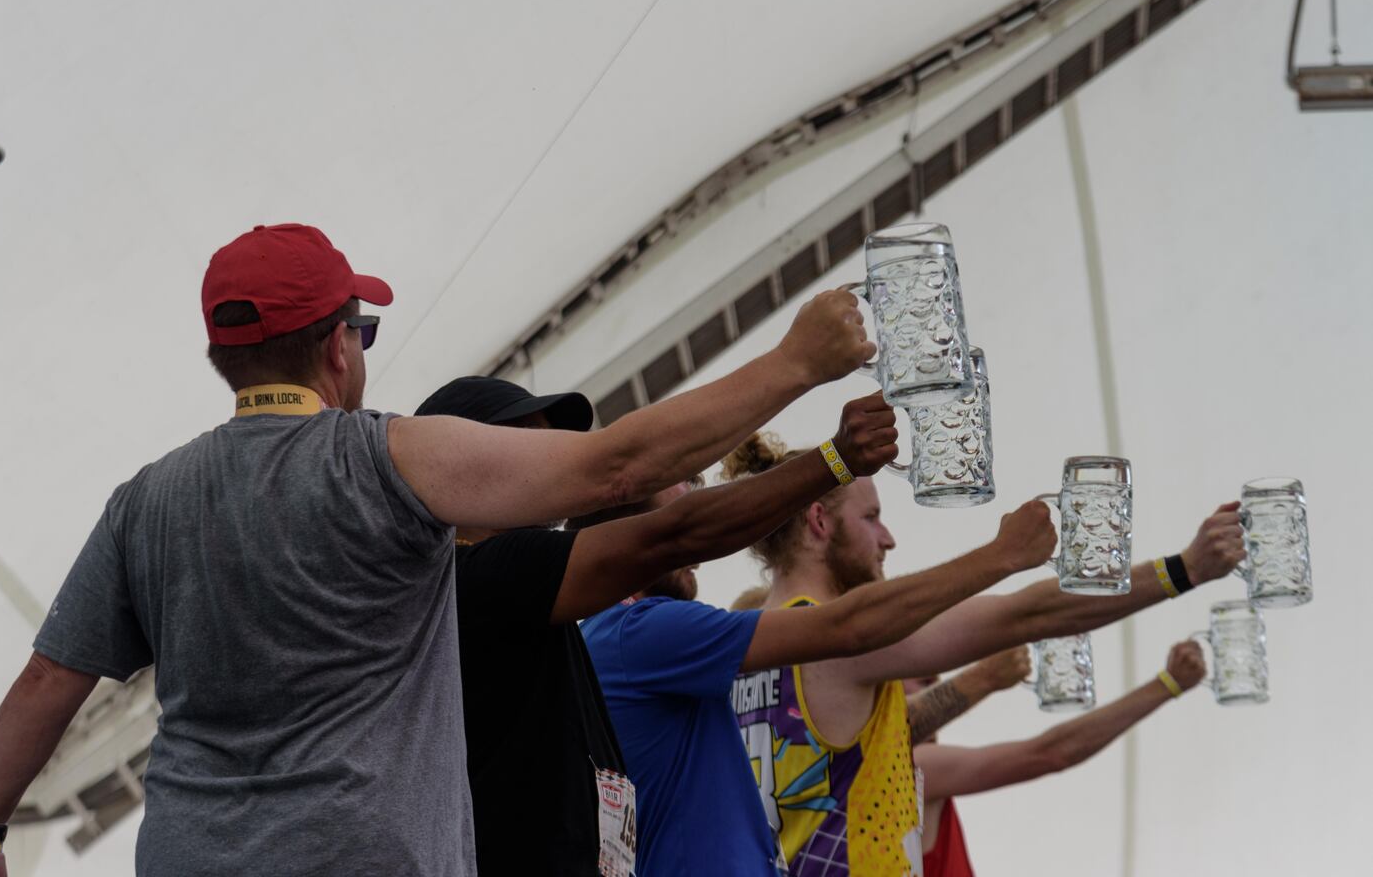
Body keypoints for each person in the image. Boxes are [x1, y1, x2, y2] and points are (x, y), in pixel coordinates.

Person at [0, 223, 876, 877]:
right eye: (362, 328)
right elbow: (617, 470)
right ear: (338, 346)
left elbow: (47, 682)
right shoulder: (386, 457)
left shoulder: (144, 502)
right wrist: (795, 365)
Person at [413, 376, 901, 876]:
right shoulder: (491, 576)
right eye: (528, 443)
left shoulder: (551, 615)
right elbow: (685, 535)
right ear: (458, 463)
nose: (551, 463)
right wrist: (827, 444)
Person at [725, 432, 1246, 877]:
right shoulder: (836, 640)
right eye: (872, 517)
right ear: (820, 521)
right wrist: (1186, 569)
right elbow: (1024, 615)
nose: (889, 539)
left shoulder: (729, 651)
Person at [576, 482, 1058, 875]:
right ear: (819, 521)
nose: (697, 549)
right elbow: (848, 628)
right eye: (678, 529)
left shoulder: (601, 645)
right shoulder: (640, 631)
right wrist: (1004, 556)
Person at [909, 641, 1208, 877]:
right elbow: (1050, 753)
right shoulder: (919, 766)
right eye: (922, 681)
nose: (935, 677)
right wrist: (1166, 685)